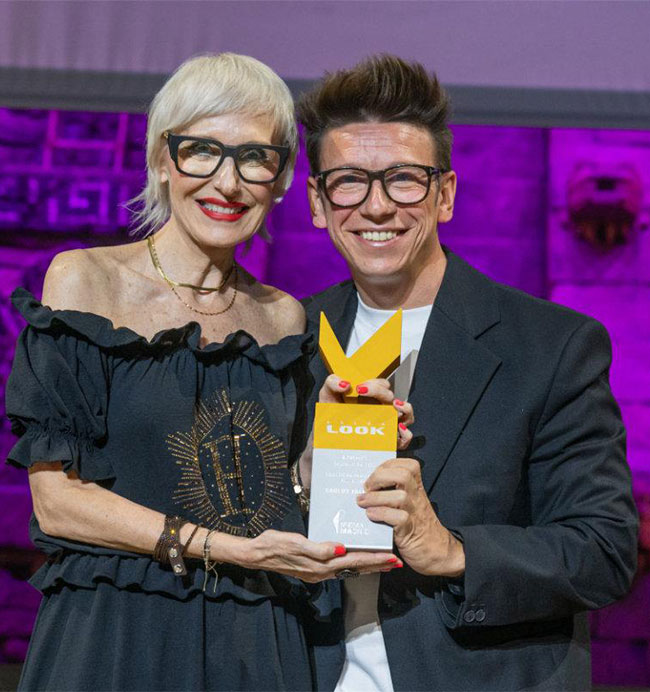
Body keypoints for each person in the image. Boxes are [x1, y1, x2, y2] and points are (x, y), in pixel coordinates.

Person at [5, 53, 401, 692]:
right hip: (118, 632)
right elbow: (58, 505)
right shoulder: (85, 281)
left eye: (255, 158)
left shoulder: (282, 317)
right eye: (202, 151)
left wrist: (331, 439)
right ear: (163, 160)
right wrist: (228, 549)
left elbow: (280, 494)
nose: (228, 183)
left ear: (279, 180)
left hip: (256, 637)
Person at [296, 55, 639, 691]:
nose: (377, 206)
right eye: (348, 182)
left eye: (404, 179)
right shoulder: (287, 338)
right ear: (318, 202)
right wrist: (300, 482)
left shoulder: (551, 346)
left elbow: (603, 550)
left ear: (445, 194)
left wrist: (452, 550)